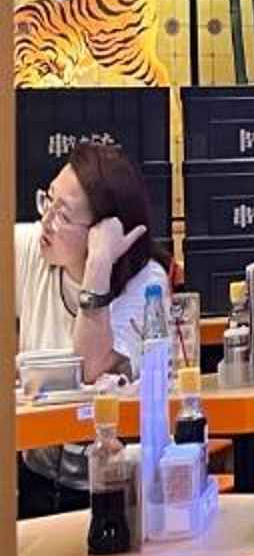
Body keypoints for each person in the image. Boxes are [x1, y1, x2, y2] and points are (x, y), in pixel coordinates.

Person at [14, 140, 171, 514]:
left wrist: (98, 264)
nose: (46, 222)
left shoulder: (146, 282)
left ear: (105, 230)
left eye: (64, 215)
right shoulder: (33, 247)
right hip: (36, 476)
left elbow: (89, 368)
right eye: (47, 201)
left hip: (112, 482)